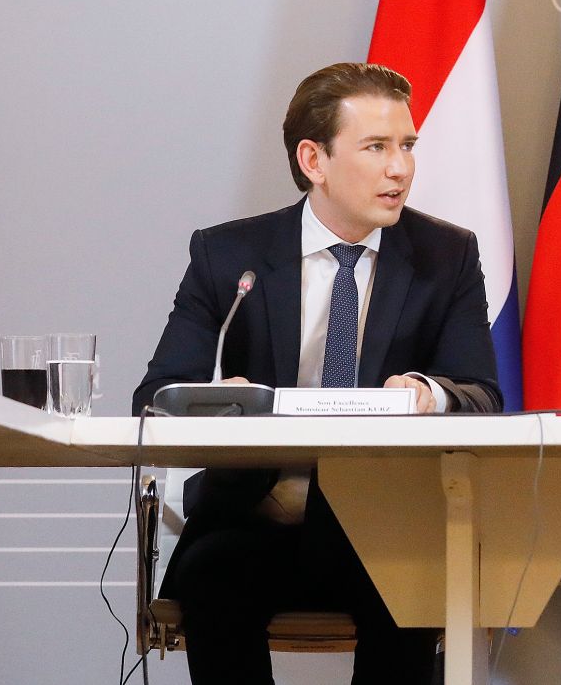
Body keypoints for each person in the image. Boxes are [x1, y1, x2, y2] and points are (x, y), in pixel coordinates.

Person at [134, 62, 501, 685]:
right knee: (212, 577)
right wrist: (216, 401)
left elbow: (484, 396)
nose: (401, 169)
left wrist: (429, 396)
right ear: (314, 159)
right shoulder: (228, 256)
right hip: (253, 517)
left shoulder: (447, 256)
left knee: (410, 590)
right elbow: (154, 400)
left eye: (407, 146)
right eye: (377, 147)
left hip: (384, 526)